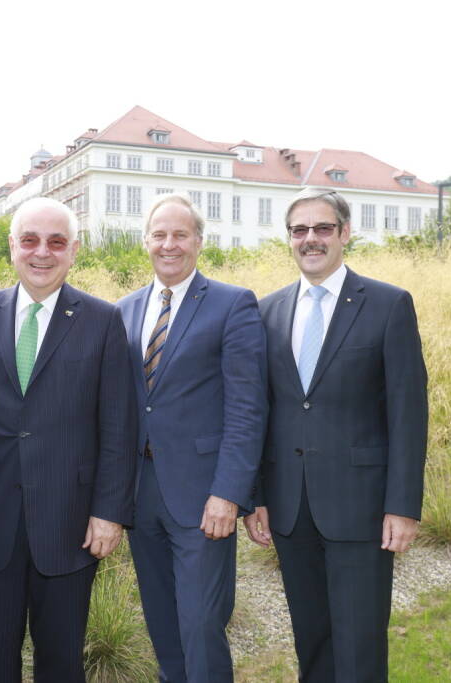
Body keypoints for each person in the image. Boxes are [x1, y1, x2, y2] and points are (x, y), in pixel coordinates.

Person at [0, 196, 136, 683]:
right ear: (12, 246)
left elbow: (118, 427)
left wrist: (109, 512)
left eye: (55, 242)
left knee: (61, 662)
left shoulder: (103, 320)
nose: (41, 253)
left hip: (70, 527)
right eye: (29, 240)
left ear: (74, 250)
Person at [244, 187, 429, 682]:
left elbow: (409, 413)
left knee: (361, 641)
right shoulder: (267, 312)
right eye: (299, 230)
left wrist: (403, 505)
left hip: (363, 507)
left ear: (345, 233)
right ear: (289, 239)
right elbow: (259, 412)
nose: (311, 239)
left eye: (322, 228)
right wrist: (257, 496)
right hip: (290, 506)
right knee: (312, 639)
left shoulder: (388, 305)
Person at [116, 193, 267, 682]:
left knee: (201, 623)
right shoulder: (123, 310)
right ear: (145, 242)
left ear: (199, 241)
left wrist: (230, 493)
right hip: (141, 494)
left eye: (180, 235)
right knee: (162, 622)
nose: (169, 244)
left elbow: (247, 409)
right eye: (160, 235)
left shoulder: (232, 304)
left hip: (205, 495)